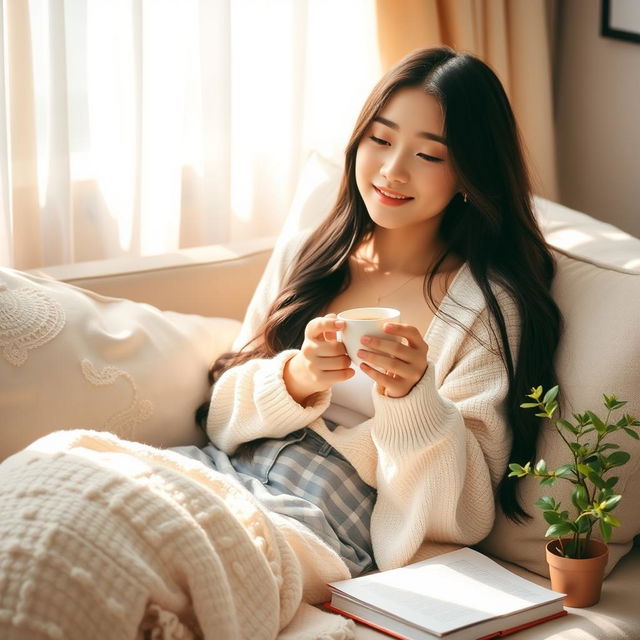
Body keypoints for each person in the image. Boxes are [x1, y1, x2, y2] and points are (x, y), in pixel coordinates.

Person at [176, 45, 562, 577]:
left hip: (309, 526)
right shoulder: (309, 256)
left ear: (470, 176)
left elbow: (465, 509)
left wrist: (413, 397)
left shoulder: (487, 309)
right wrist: (298, 377)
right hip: (212, 475)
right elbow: (221, 415)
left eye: (429, 155)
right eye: (380, 140)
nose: (392, 170)